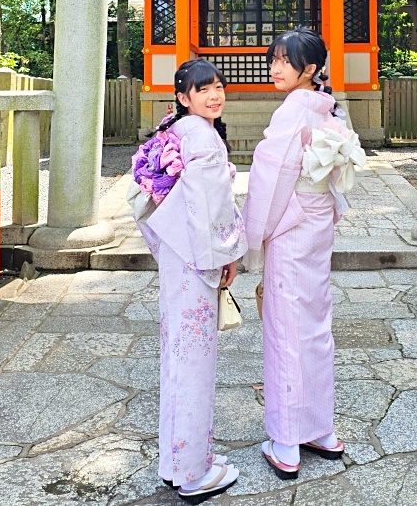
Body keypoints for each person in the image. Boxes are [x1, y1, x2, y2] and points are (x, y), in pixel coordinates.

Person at [244, 28, 364, 480]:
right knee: (315, 326)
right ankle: (321, 429)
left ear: (309, 70)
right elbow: (334, 177)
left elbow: (271, 181)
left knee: (286, 329)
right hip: (315, 224)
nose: (274, 67)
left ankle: (287, 439)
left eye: (283, 61)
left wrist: (253, 237)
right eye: (272, 58)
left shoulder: (294, 111)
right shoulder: (325, 109)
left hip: (291, 228)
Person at [130, 58, 246, 502]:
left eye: (218, 87)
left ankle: (176, 461)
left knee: (177, 357)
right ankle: (193, 473)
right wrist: (228, 256)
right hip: (198, 258)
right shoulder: (205, 141)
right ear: (183, 97)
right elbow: (213, 210)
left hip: (178, 255)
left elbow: (150, 191)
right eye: (203, 90)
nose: (215, 95)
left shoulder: (175, 131)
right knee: (194, 363)